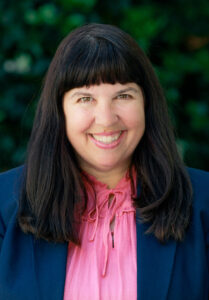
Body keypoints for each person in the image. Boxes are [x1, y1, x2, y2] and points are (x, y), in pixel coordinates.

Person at [0, 23, 209, 300]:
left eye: (123, 96)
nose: (106, 119)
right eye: (85, 98)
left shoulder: (204, 200)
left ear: (146, 104)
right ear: (59, 111)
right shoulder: (3, 204)